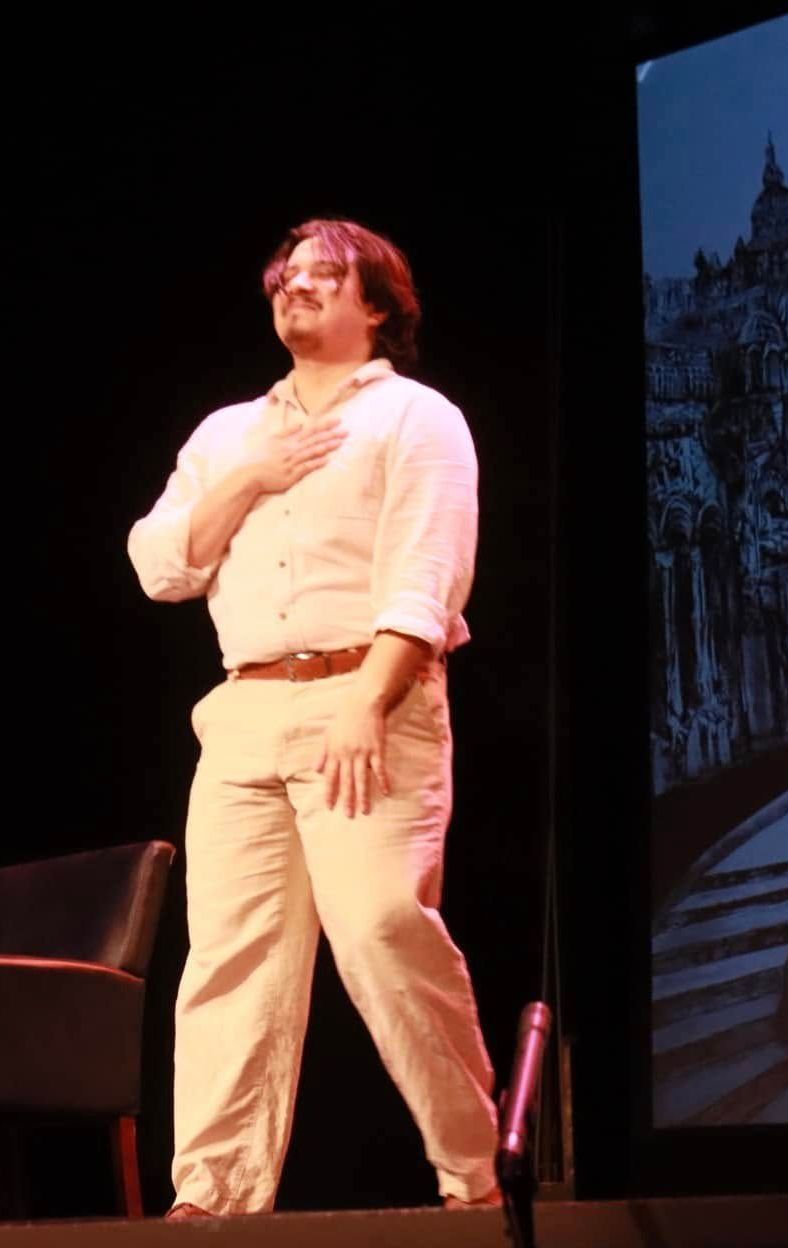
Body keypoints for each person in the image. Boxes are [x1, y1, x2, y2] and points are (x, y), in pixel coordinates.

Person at [128, 218, 501, 1218]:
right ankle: (211, 1196)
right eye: (286, 279)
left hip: (367, 694)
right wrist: (252, 475)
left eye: (322, 278)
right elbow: (162, 566)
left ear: (374, 303)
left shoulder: (417, 418)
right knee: (232, 957)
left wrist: (368, 702)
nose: (295, 290)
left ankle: (473, 1176)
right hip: (246, 707)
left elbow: (428, 577)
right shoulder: (225, 435)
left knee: (382, 927)